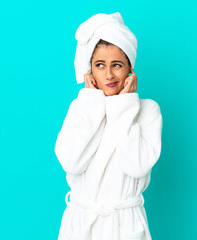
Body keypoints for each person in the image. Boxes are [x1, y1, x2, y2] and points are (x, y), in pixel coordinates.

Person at [54, 12, 163, 240]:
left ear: (130, 70)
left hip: (125, 226)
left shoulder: (148, 111)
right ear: (90, 70)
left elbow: (136, 166)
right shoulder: (80, 108)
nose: (109, 74)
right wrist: (91, 102)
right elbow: (72, 163)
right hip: (81, 225)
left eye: (117, 65)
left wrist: (123, 105)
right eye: (100, 65)